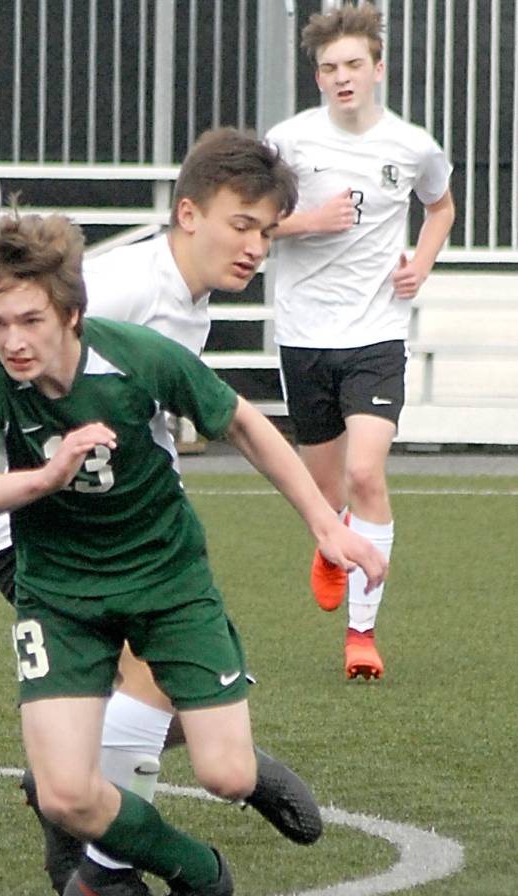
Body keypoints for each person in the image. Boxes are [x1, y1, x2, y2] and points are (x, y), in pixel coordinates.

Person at [0, 209, 388, 896]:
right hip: (58, 595)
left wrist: (323, 521)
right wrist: (47, 474)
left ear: (71, 313)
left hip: (166, 580)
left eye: (29, 319)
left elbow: (241, 422)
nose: (13, 340)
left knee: (224, 771)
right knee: (63, 791)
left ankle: (241, 771)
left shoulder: (136, 356)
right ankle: (198, 872)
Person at [0, 129, 323, 896]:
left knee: (145, 689)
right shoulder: (121, 285)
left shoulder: (186, 298)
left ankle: (83, 823)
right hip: (50, 532)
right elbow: (12, 359)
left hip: (124, 530)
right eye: (242, 224)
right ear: (187, 212)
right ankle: (97, 857)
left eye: (267, 232)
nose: (254, 247)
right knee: (155, 678)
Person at [266, 1, 455, 680]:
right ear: (315, 77)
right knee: (326, 491)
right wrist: (308, 220)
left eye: (353, 64)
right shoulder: (285, 141)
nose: (341, 76)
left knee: (366, 472)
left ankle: (360, 636)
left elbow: (440, 206)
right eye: (328, 67)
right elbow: (248, 221)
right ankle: (330, 533)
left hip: (375, 331)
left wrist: (421, 262)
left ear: (377, 67)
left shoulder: (410, 145)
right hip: (303, 333)